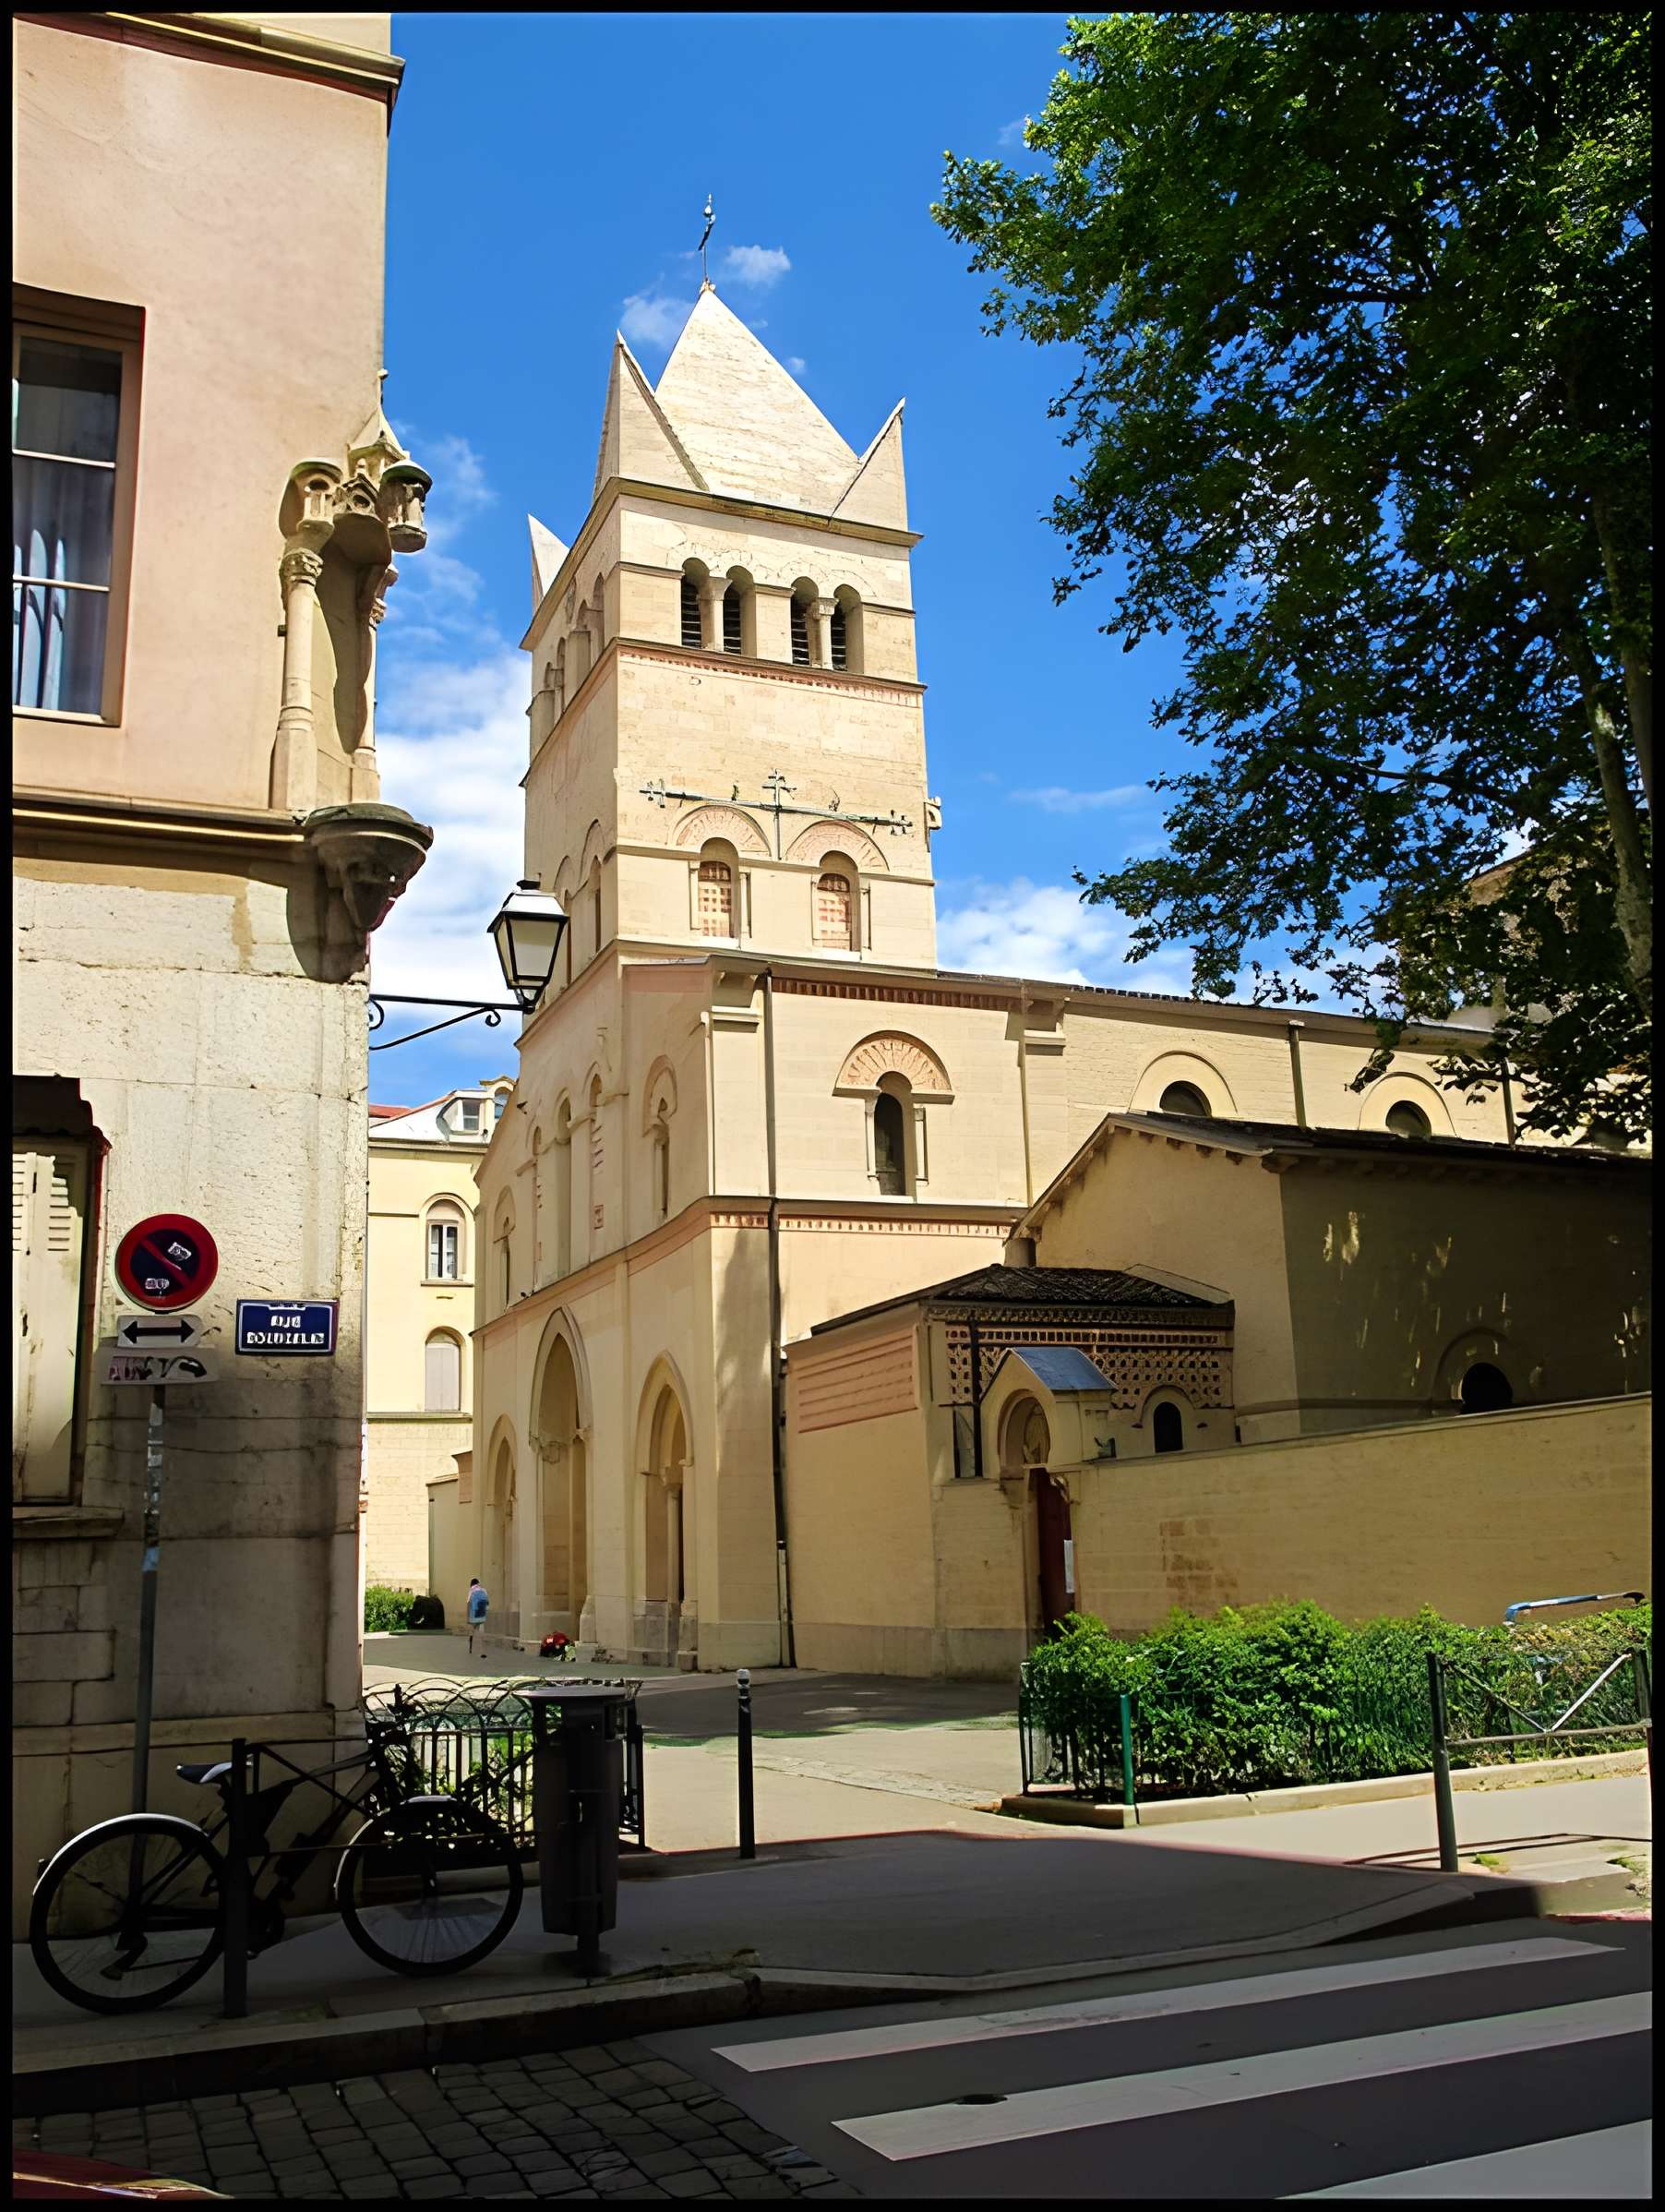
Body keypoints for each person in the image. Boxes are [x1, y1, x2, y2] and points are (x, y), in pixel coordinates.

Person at [465, 1577, 489, 1660]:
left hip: (473, 1614)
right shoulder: (483, 1590)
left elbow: (468, 1603)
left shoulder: (471, 1590)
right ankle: (482, 1651)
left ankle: (471, 1646)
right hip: (482, 1614)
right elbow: (487, 1603)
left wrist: (467, 1617)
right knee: (480, 1632)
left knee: (473, 1631)